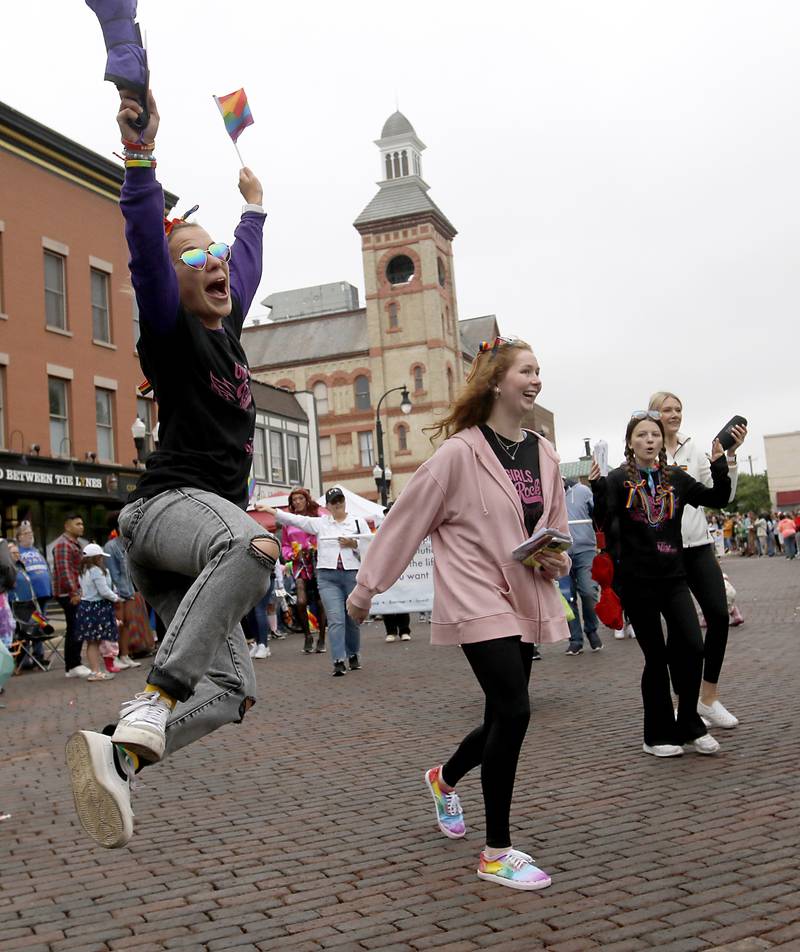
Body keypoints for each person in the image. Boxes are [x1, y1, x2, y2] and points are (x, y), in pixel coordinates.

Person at [65, 87, 279, 850]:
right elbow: (146, 251)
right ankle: (153, 694)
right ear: (174, 279)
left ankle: (117, 756)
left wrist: (252, 211)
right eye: (196, 255)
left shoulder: (229, 329)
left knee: (230, 695)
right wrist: (141, 156)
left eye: (217, 253)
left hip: (191, 550)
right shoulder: (170, 327)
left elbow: (242, 266)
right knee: (255, 544)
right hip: (164, 513)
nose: (215, 261)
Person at [346, 337, 570, 891]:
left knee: (501, 714)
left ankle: (444, 778)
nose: (536, 378)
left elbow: (555, 530)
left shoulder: (545, 454)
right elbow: (406, 521)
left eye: (540, 370)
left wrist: (554, 556)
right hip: (474, 594)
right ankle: (497, 851)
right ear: (497, 381)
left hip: (523, 595)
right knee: (516, 711)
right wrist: (366, 588)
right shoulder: (458, 453)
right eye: (526, 370)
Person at [591, 411, 731, 758]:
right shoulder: (617, 479)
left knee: (693, 646)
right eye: (642, 435)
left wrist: (719, 465)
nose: (650, 440)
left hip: (673, 576)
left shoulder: (678, 480)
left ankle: (690, 725)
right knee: (657, 657)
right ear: (630, 442)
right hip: (636, 581)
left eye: (654, 434)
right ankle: (655, 735)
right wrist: (597, 489)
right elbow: (602, 522)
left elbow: (717, 499)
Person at [648, 393, 745, 731]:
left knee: (719, 615)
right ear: (653, 414)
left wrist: (728, 459)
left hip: (700, 545)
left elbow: (723, 498)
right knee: (679, 631)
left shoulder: (694, 447)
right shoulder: (646, 450)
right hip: (667, 551)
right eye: (666, 410)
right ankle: (683, 704)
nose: (674, 415)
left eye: (678, 410)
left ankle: (709, 696)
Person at [258, 487, 368, 676]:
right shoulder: (321, 523)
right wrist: (271, 511)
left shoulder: (358, 522)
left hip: (351, 575)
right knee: (336, 618)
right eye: (334, 501)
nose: (338, 504)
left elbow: (370, 545)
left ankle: (353, 654)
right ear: (328, 506)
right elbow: (295, 520)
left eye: (340, 500)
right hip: (328, 576)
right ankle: (338, 660)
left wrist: (354, 544)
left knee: (351, 618)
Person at [278, 488, 327, 654]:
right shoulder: (288, 522)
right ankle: (307, 636)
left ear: (306, 500)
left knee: (321, 601)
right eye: (294, 499)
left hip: (317, 562)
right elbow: (284, 545)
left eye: (300, 498)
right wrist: (291, 554)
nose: (297, 502)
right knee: (300, 601)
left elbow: (324, 536)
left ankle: (322, 637)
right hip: (299, 565)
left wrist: (315, 548)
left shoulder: (317, 517)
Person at [562, 478, 602, 655]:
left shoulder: (583, 491)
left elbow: (598, 516)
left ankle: (591, 630)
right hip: (560, 553)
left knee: (588, 591)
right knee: (567, 597)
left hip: (585, 550)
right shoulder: (547, 492)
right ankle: (575, 640)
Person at [52, 513, 91, 678]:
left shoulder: (75, 544)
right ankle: (73, 665)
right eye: (77, 524)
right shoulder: (63, 544)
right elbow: (64, 571)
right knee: (75, 626)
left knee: (76, 626)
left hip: (75, 591)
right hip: (68, 593)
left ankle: (74, 664)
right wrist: (74, 592)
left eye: (82, 524)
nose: (81, 526)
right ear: (67, 526)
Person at [75, 544, 120, 682]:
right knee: (95, 642)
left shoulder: (83, 571)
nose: (102, 559)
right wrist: (116, 598)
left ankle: (96, 670)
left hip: (86, 607)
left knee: (91, 642)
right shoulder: (96, 571)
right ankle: (96, 671)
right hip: (97, 608)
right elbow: (104, 591)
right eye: (100, 557)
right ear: (96, 557)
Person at [105, 514, 143, 671]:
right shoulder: (110, 547)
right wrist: (119, 593)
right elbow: (113, 573)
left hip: (129, 591)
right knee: (118, 625)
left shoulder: (128, 545)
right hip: (118, 593)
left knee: (127, 624)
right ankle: (115, 656)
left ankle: (125, 655)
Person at [15, 523, 53, 607]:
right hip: (30, 596)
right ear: (19, 537)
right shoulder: (17, 552)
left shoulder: (37, 551)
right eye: (26, 533)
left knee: (42, 619)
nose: (30, 535)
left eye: (31, 532)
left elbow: (47, 569)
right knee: (35, 619)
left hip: (45, 592)